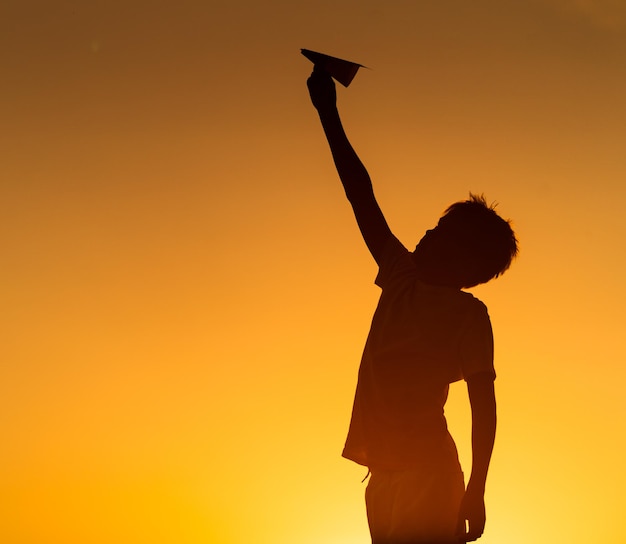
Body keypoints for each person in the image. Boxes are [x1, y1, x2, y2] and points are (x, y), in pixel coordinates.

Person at [306, 66, 518, 544]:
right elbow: (360, 195)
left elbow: (483, 406)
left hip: (428, 472)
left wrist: (476, 488)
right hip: (381, 473)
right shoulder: (401, 278)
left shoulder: (468, 316)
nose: (425, 233)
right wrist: (327, 113)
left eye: (440, 234)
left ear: (464, 264)